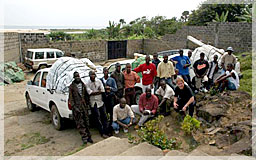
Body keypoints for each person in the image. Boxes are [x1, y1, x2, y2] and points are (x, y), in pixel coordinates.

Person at [69, 71, 93, 145]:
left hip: (84, 106)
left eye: (78, 76)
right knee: (80, 123)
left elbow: (86, 95)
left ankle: (89, 137)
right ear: (74, 78)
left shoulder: (83, 85)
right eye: (76, 77)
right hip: (77, 107)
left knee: (87, 122)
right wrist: (74, 107)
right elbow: (71, 98)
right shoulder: (72, 87)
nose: (77, 78)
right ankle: (84, 137)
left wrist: (88, 104)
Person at [86, 71, 109, 138]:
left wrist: (95, 92)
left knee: (104, 116)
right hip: (93, 103)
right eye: (91, 75)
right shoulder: (87, 83)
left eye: (94, 75)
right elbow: (89, 93)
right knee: (97, 118)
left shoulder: (98, 81)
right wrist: (98, 91)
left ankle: (106, 131)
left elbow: (102, 90)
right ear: (89, 76)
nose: (93, 76)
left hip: (100, 101)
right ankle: (102, 132)